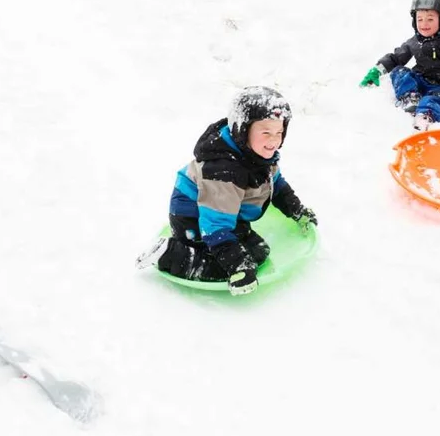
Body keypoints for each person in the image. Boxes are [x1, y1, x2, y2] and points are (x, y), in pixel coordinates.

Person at [135, 86, 317, 296]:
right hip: (193, 216)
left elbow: (277, 186)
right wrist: (238, 266)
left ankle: (221, 253)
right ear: (242, 130)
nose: (274, 140)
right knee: (231, 266)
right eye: (265, 132)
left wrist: (297, 210)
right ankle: (169, 253)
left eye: (279, 132)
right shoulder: (224, 173)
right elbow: (215, 226)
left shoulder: (258, 154)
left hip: (222, 209)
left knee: (258, 251)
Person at [359, 0, 440, 128]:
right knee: (399, 72)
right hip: (421, 79)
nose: (424, 24)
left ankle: (425, 117)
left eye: (430, 19)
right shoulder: (415, 41)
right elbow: (396, 57)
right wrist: (378, 70)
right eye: (420, 19)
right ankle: (410, 97)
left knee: (434, 100)